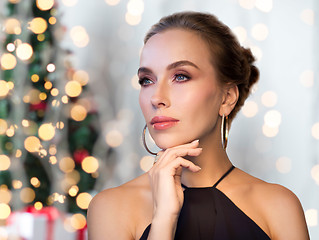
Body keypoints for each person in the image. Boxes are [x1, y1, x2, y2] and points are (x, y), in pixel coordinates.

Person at [87, 11, 309, 240]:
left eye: (181, 76)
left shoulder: (279, 206)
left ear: (227, 98)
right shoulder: (111, 207)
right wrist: (163, 219)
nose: (156, 98)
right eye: (147, 80)